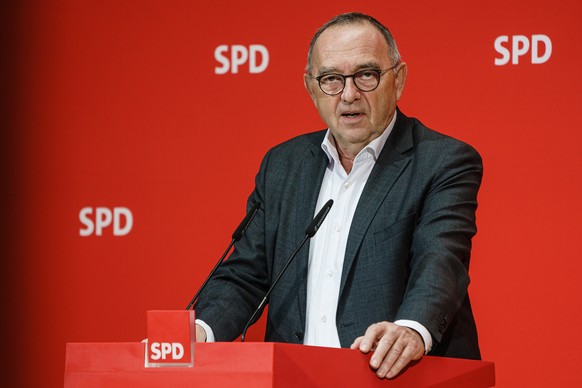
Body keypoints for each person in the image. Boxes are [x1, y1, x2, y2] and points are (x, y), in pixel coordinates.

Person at [194, 12, 482, 379]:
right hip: (294, 377)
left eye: (366, 74)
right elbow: (247, 273)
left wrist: (411, 328)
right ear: (311, 87)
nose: (349, 94)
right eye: (331, 78)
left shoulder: (441, 161)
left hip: (398, 378)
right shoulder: (283, 165)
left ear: (399, 79)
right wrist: (199, 332)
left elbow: (440, 261)